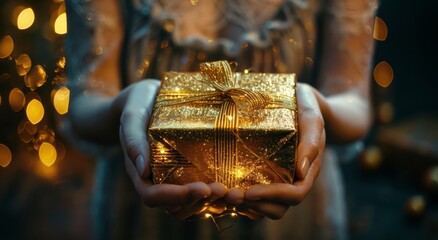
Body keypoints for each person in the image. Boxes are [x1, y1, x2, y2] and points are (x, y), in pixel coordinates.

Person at [63, 0, 378, 239]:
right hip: (142, 214)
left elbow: (354, 101)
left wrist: (315, 104)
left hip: (294, 219)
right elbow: (87, 101)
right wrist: (125, 107)